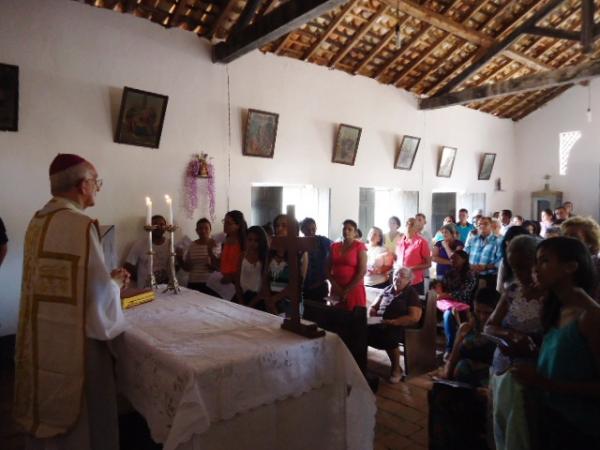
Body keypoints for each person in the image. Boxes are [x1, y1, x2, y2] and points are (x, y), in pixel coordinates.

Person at [14, 154, 129, 450]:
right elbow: (97, 296)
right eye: (96, 182)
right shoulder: (80, 226)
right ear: (82, 185)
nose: (97, 188)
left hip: (42, 335)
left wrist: (106, 282)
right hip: (78, 343)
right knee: (85, 420)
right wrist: (115, 283)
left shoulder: (38, 220)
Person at [512, 237, 600, 450]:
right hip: (551, 418)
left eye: (544, 261)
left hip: (579, 428)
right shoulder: (558, 309)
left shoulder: (591, 317)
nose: (535, 269)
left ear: (570, 267)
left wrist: (544, 383)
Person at [484, 235, 545, 450]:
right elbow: (489, 326)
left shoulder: (552, 295)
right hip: (503, 364)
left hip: (534, 372)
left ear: (537, 262)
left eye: (524, 267)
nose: (519, 273)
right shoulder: (512, 291)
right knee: (501, 426)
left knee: (524, 432)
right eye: (514, 267)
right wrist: (511, 336)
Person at [368, 267, 422, 383]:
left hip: (401, 326)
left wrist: (395, 322)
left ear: (409, 280)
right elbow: (373, 307)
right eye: (396, 275)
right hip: (382, 322)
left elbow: (415, 317)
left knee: (389, 334)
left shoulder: (411, 293)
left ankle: (396, 368)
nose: (397, 278)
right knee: (362, 330)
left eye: (402, 276)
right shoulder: (387, 289)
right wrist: (373, 315)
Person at [441, 288, 499, 387]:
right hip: (462, 380)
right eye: (478, 311)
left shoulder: (501, 331)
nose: (482, 317)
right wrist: (446, 379)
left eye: (487, 312)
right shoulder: (466, 328)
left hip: (489, 382)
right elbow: (453, 358)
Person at [434, 250, 477, 357]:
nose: (452, 260)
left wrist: (446, 295)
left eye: (455, 258)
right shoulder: (450, 273)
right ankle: (424, 344)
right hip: (446, 302)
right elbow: (441, 285)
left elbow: (464, 292)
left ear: (464, 260)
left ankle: (450, 349)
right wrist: (438, 290)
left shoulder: (470, 274)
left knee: (448, 314)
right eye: (451, 258)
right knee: (426, 307)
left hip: (462, 305)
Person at [266, 214, 308, 315]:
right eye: (277, 225)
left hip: (290, 302)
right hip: (271, 300)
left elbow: (297, 282)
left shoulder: (301, 252)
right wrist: (270, 300)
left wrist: (275, 299)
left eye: (284, 226)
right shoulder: (271, 249)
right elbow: (265, 277)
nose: (279, 229)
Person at [205, 210, 246, 300]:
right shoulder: (225, 241)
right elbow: (220, 265)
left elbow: (245, 266)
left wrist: (231, 277)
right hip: (224, 282)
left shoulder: (244, 242)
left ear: (238, 226)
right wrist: (209, 250)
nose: (225, 225)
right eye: (224, 221)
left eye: (229, 223)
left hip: (237, 283)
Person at [327, 219, 367, 311]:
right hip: (336, 288)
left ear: (355, 232)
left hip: (354, 288)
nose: (346, 231)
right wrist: (335, 286)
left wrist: (346, 290)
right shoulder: (334, 246)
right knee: (336, 318)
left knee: (352, 319)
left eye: (350, 229)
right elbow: (326, 269)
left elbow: (362, 271)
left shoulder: (359, 246)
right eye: (344, 229)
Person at [124, 214, 171, 287]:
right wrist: (140, 279)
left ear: (166, 227)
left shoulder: (170, 244)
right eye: (155, 224)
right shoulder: (140, 244)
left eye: (161, 224)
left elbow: (174, 265)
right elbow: (128, 266)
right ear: (150, 227)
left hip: (164, 287)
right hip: (145, 288)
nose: (158, 227)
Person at [178, 218, 217, 294]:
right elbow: (187, 268)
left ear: (210, 229)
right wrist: (179, 258)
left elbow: (220, 268)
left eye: (206, 228)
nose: (203, 231)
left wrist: (212, 266)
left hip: (211, 284)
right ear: (196, 230)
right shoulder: (191, 245)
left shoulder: (216, 244)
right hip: (194, 282)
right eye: (200, 228)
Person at [235, 226, 269, 308]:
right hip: (243, 296)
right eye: (249, 240)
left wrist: (250, 305)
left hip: (259, 298)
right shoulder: (242, 256)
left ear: (261, 241)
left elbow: (264, 285)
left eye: (256, 240)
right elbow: (237, 281)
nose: (252, 243)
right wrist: (241, 302)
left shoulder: (265, 258)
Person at [395, 217, 431, 295]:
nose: (409, 225)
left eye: (412, 224)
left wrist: (410, 269)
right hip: (400, 281)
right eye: (407, 223)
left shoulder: (422, 242)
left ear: (417, 228)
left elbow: (428, 264)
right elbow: (397, 260)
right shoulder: (400, 242)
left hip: (415, 282)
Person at [300, 217, 332, 302]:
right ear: (302, 230)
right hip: (304, 287)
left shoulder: (323, 241)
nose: (311, 232)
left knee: (320, 311)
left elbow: (336, 249)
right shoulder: (299, 243)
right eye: (308, 229)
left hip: (320, 285)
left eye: (313, 229)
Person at [465, 216, 501, 288]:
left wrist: (485, 267)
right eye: (479, 224)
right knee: (470, 298)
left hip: (489, 278)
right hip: (471, 275)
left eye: (485, 224)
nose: (482, 226)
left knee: (485, 298)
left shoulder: (498, 241)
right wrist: (469, 265)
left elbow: (501, 261)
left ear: (491, 225)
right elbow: (465, 254)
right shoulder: (472, 239)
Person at [496, 225, 529, 293]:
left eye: (515, 246)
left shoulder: (533, 262)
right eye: (508, 245)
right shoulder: (504, 262)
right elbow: (499, 289)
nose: (510, 249)